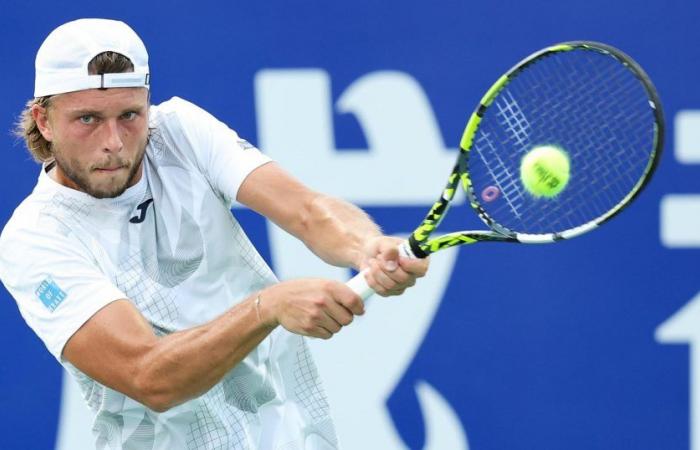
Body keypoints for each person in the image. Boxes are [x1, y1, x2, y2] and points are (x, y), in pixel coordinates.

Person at [0, 18, 428, 450]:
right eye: (88, 119)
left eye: (130, 115)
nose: (114, 141)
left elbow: (306, 210)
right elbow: (149, 376)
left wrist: (366, 247)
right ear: (45, 120)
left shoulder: (179, 131)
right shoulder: (34, 239)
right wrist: (266, 308)